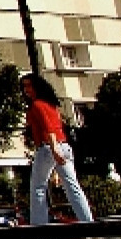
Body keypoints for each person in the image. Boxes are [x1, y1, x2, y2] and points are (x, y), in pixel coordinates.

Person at [24, 73, 93, 226]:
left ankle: (38, 224)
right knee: (72, 185)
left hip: (49, 147)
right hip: (64, 146)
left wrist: (54, 150)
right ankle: (87, 220)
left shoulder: (37, 105)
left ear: (36, 86)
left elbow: (48, 129)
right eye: (24, 86)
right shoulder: (52, 105)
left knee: (38, 187)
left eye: (28, 85)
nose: (26, 89)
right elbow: (58, 127)